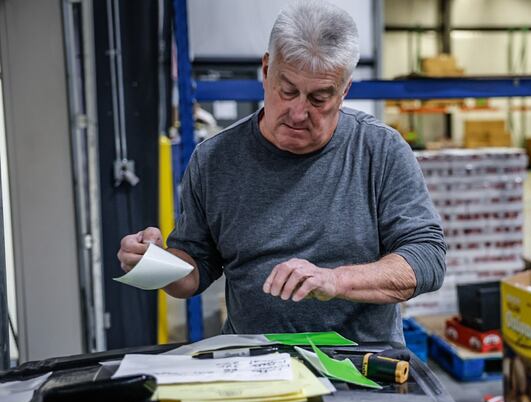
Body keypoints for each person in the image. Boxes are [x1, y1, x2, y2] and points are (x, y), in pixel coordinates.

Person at [117, 0, 446, 343]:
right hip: (256, 367)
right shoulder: (214, 159)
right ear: (265, 70)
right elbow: (194, 270)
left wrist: (336, 281)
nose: (299, 112)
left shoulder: (379, 151)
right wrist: (154, 263)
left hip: (362, 368)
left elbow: (427, 258)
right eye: (287, 91)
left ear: (345, 90)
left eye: (319, 99)